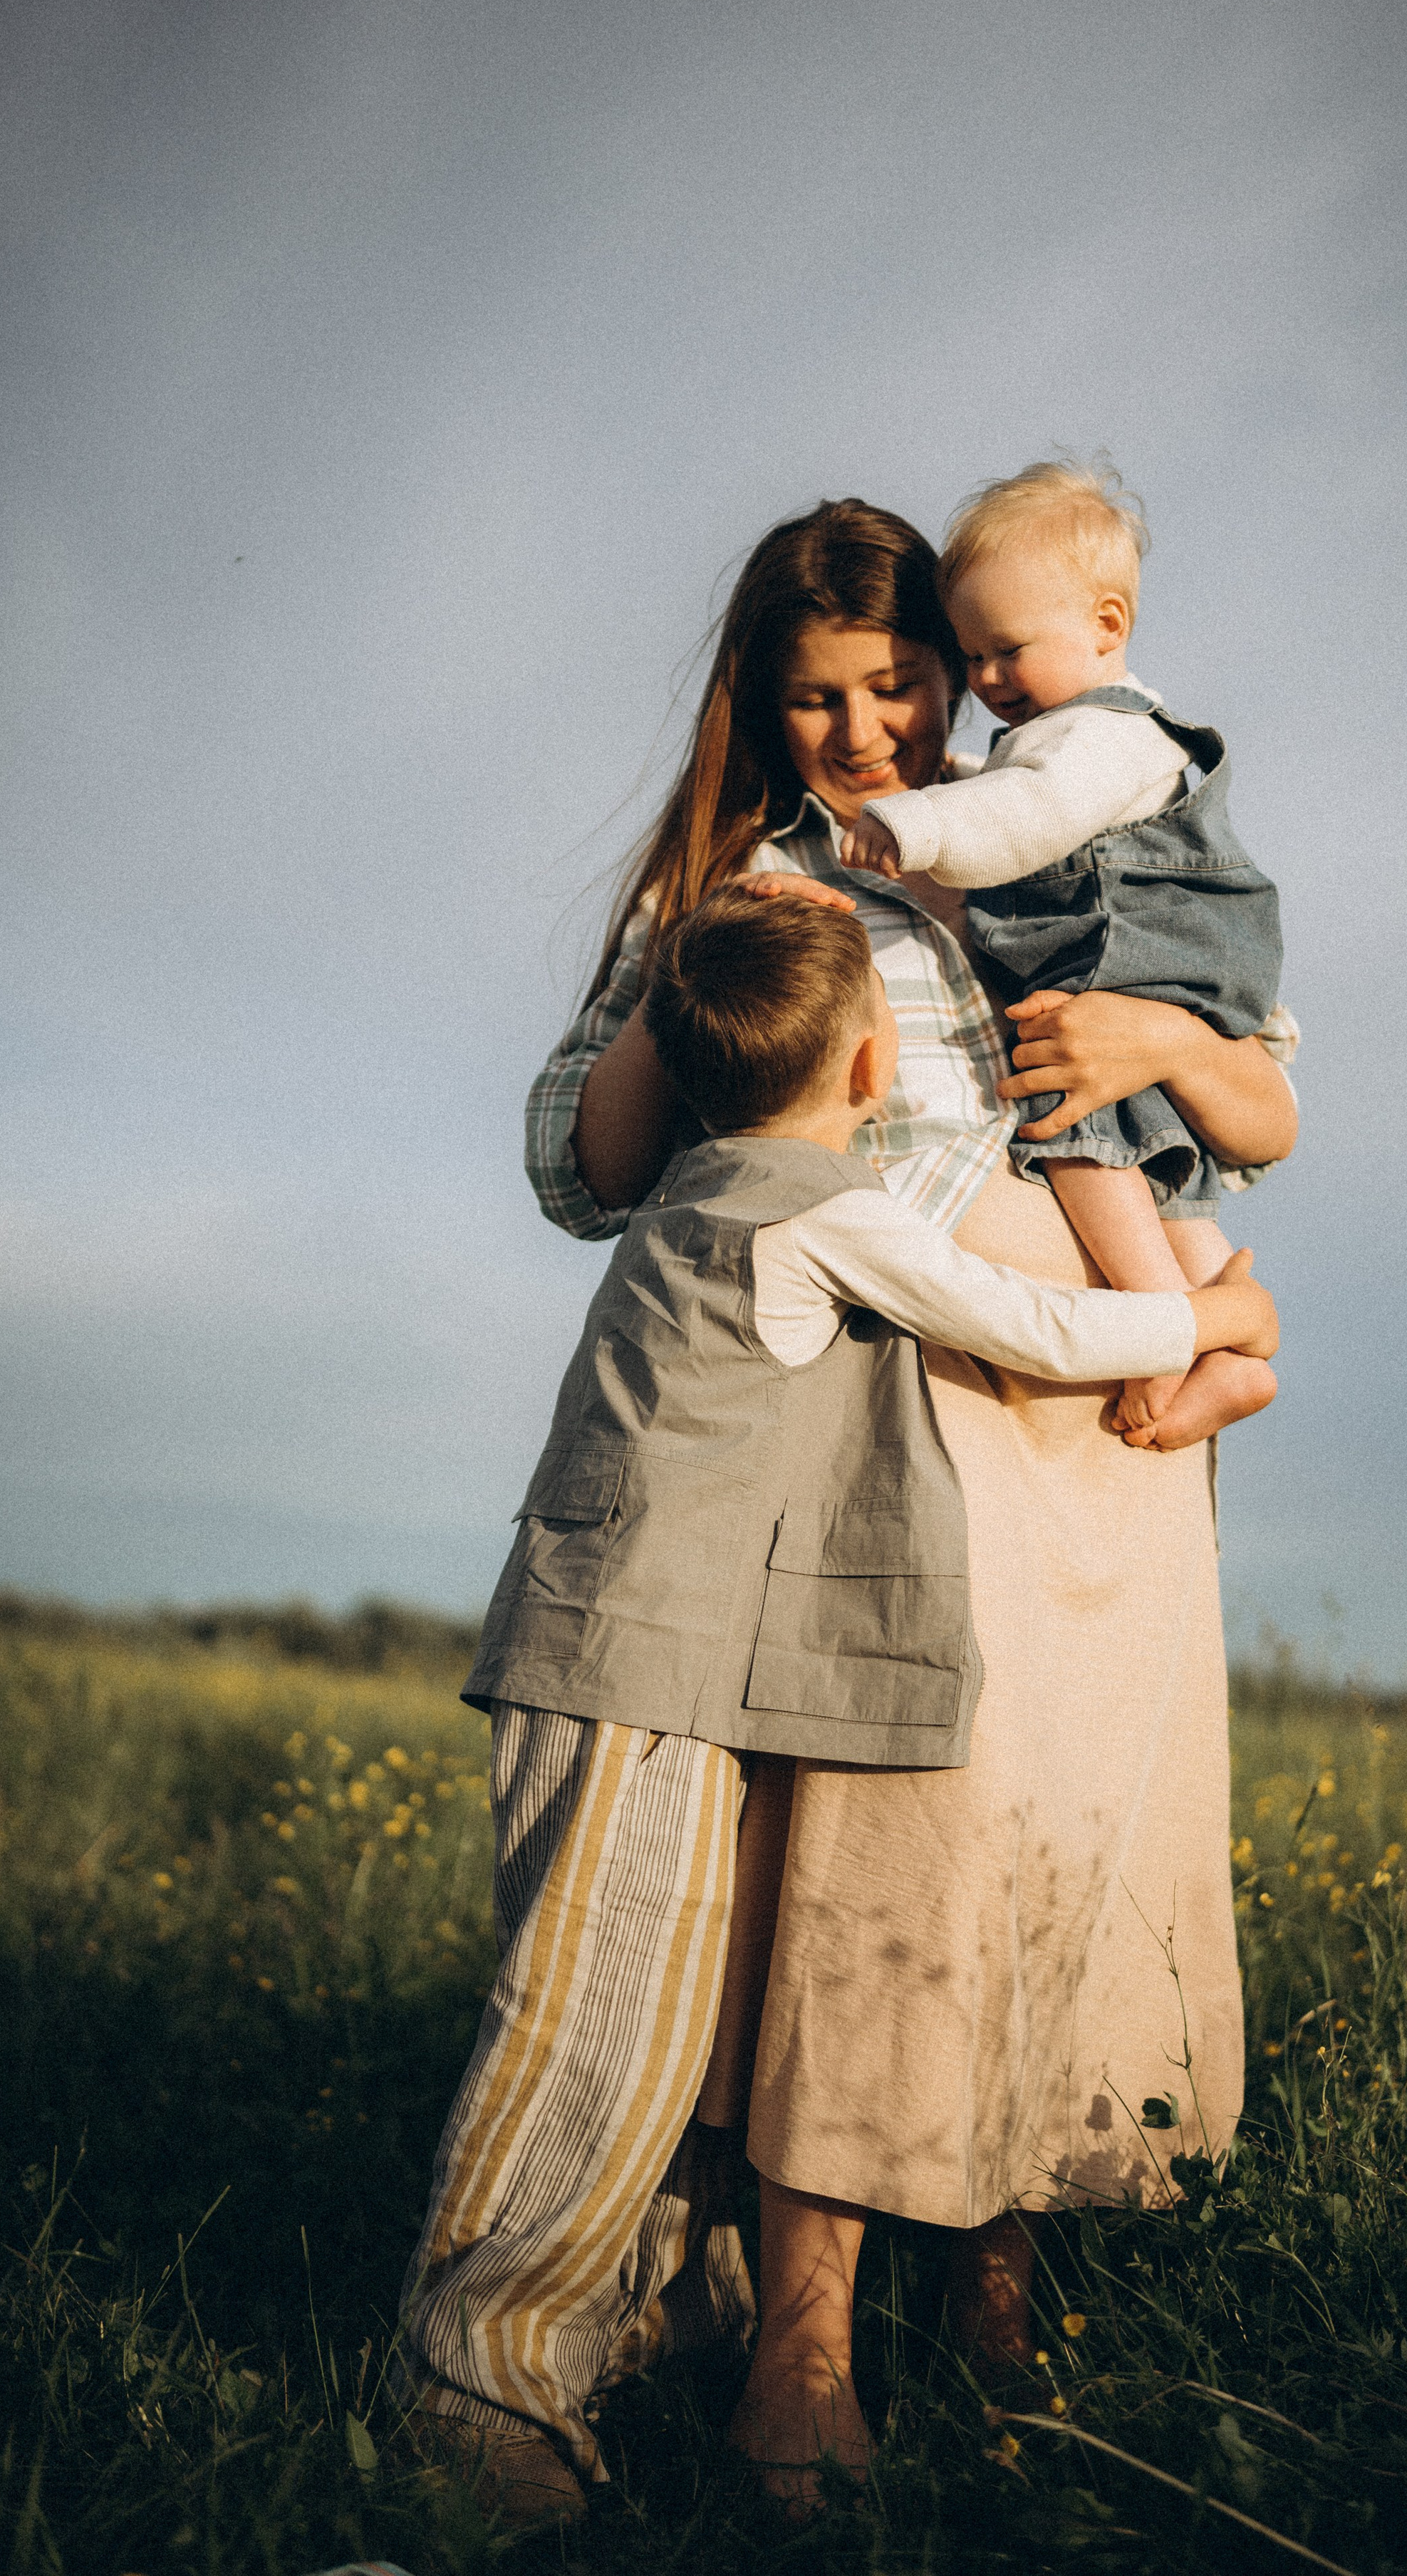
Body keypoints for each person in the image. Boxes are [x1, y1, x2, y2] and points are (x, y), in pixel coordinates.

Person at [521, 495, 1298, 2504]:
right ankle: (801, 2356)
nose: (866, 729)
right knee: (875, 1876)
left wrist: (1158, 1045)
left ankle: (1002, 2293)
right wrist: (683, 950)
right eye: (815, 697)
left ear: (963, 669)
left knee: (1061, 1845)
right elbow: (582, 1163)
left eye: (898, 683)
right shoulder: (767, 878)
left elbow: (1262, 1109)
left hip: (1112, 1415)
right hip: (911, 1398)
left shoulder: (1069, 817)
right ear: (757, 710)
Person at [399, 878, 1278, 2518]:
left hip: (600, 1639)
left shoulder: (699, 1192)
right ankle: (476, 2391)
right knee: (589, 2025)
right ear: (876, 1073)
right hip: (645, 1659)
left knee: (650, 2017)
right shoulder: (838, 1211)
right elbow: (1022, 1320)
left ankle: (633, 2332)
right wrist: (1214, 1313)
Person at [841, 459, 1284, 1453]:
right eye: (974, 656)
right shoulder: (1075, 733)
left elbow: (1024, 821)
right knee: (1160, 1177)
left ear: (1108, 625)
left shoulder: (1090, 741)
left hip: (1126, 964)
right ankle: (1233, 1346)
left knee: (1069, 1131)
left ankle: (1162, 1334)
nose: (991, 680)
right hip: (1148, 972)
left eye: (1008, 651)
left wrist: (910, 830)